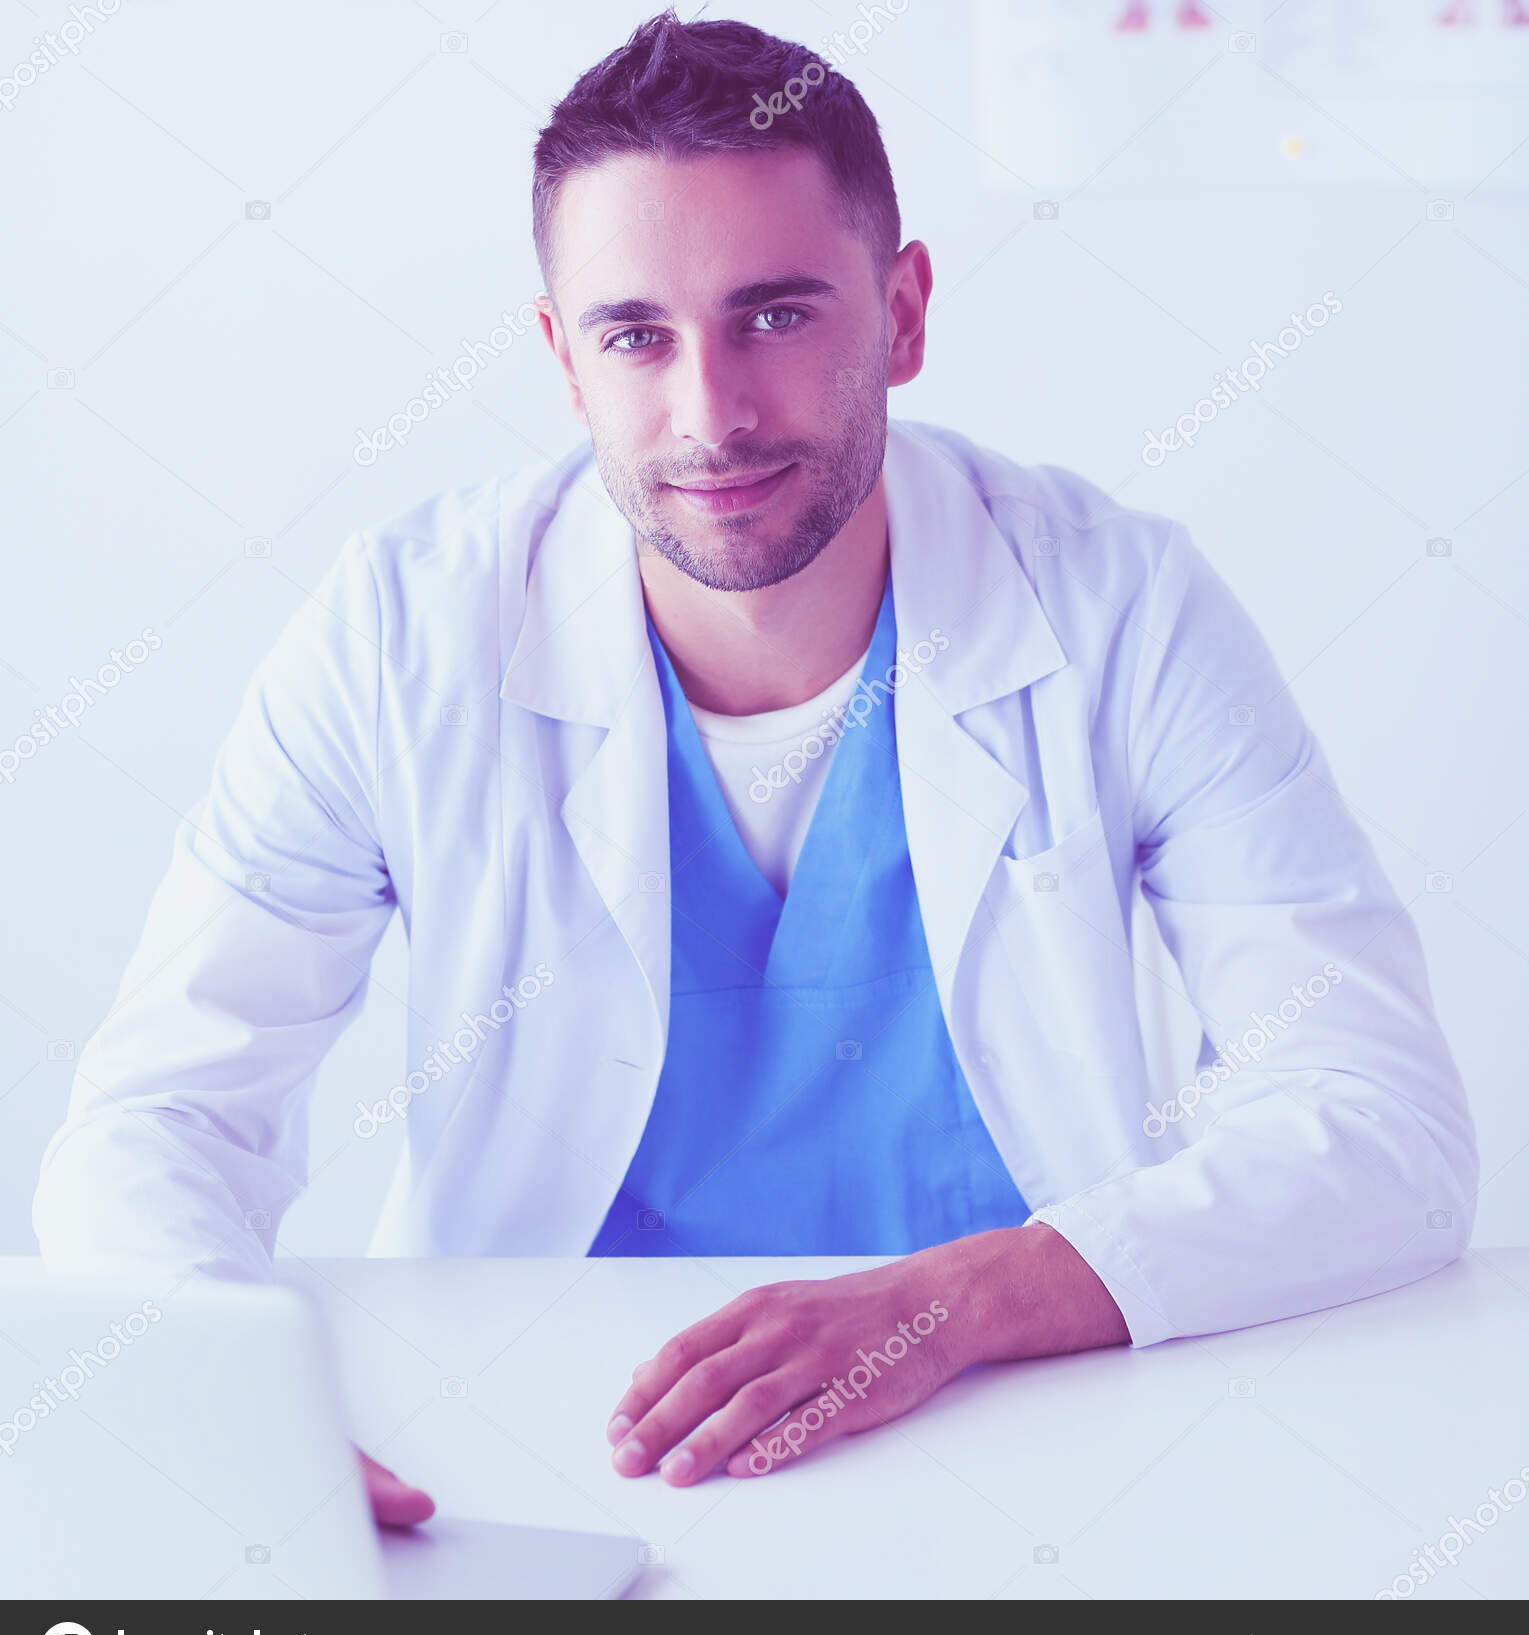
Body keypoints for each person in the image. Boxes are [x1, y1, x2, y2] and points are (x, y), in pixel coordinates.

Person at [35, 13, 1476, 1515]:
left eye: (776, 316)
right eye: (635, 336)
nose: (707, 413)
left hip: (1030, 1416)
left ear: (904, 312)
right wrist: (212, 1415)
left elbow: (1378, 1123)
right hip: (542, 1437)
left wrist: (956, 1304)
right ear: (560, 356)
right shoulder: (401, 637)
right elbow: (162, 1117)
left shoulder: (1114, 608)